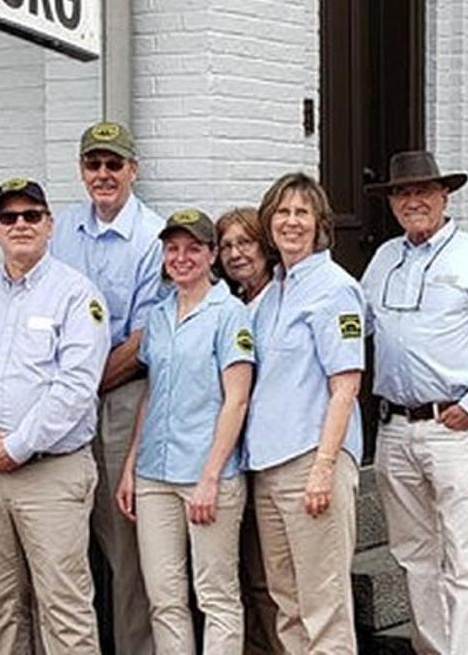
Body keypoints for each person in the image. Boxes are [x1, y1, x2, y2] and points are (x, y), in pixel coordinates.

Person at [361, 151, 468, 655]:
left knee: (465, 559)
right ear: (391, 202)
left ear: (444, 196)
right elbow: (357, 324)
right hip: (394, 429)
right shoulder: (385, 257)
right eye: (401, 193)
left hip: (452, 427)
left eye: (422, 192)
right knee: (414, 556)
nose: (412, 201)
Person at [0, 177, 111, 654]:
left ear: (49, 224)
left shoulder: (77, 295)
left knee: (63, 604)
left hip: (50, 473)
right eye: (9, 217)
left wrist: (17, 445)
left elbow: (76, 387)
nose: (20, 225)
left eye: (31, 215)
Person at [115, 208, 254, 654]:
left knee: (216, 595)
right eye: (173, 248)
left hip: (207, 474)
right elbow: (153, 395)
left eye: (193, 248)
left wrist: (211, 476)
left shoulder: (228, 313)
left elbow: (237, 399)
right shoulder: (157, 316)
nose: (181, 257)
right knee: (165, 598)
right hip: (156, 474)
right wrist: (131, 466)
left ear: (212, 255)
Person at [49, 121, 163, 655]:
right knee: (64, 544)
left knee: (125, 548)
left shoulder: (152, 237)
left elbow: (143, 339)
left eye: (113, 164)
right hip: (56, 410)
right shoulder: (61, 228)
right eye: (93, 164)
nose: (102, 174)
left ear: (132, 170)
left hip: (117, 402)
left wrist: (77, 387)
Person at [245, 173, 364, 654]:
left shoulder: (335, 289)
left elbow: (346, 385)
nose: (291, 222)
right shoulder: (271, 292)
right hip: (268, 466)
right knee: (287, 603)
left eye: (302, 212)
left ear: (320, 224)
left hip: (311, 463)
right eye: (282, 212)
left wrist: (323, 468)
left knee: (324, 604)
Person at [215, 207, 283, 655]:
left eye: (246, 243)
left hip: (276, 454)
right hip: (235, 456)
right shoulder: (229, 305)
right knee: (241, 573)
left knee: (270, 578)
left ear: (264, 246)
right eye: (226, 245)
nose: (236, 253)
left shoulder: (282, 297)